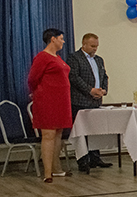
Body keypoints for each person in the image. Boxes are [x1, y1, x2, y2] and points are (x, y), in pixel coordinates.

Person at [28, 29, 73, 183]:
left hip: (61, 100)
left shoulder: (58, 58)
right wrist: (37, 92)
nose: (63, 41)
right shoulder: (42, 57)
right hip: (48, 100)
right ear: (53, 39)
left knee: (58, 133)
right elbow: (33, 79)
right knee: (48, 135)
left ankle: (56, 168)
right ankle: (47, 173)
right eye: (61, 38)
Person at [67, 32, 111, 172]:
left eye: (96, 46)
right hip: (80, 101)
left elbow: (104, 76)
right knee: (82, 132)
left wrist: (103, 90)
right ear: (84, 44)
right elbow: (74, 78)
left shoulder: (98, 59)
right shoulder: (74, 58)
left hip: (96, 101)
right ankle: (83, 160)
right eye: (92, 46)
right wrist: (90, 90)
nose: (95, 49)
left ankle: (95, 158)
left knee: (95, 130)